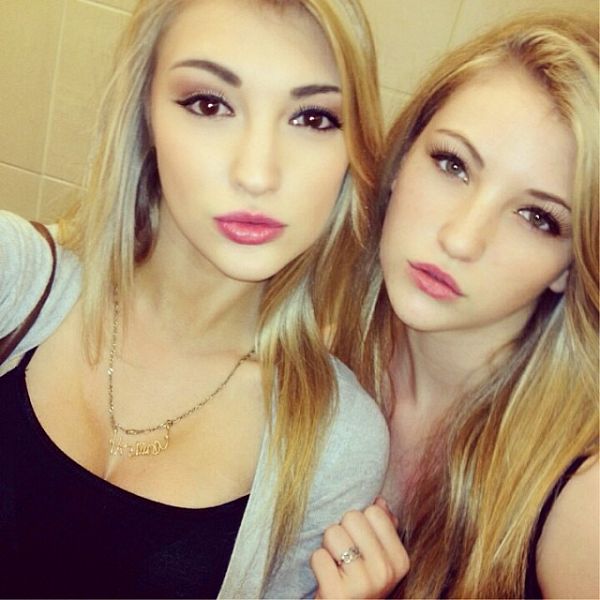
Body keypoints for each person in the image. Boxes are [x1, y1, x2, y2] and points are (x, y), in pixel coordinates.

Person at [0, 0, 388, 597]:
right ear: (145, 116)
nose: (258, 174)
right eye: (209, 104)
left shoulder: (337, 444)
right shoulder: (17, 277)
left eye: (313, 118)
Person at [312, 13, 599, 599]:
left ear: (569, 268)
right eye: (453, 165)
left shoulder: (582, 497)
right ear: (400, 161)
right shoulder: (311, 349)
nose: (462, 239)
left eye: (537, 217)